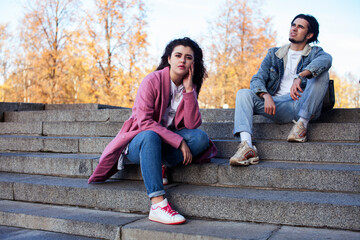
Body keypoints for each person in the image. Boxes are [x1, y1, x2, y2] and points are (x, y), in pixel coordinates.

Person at [88, 37, 217, 225]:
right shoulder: (152, 80)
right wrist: (179, 141)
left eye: (188, 58)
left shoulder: (189, 87)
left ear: (193, 63)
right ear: (169, 59)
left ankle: (161, 165)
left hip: (163, 143)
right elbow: (144, 122)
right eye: (178, 55)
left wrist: (189, 91)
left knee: (200, 139)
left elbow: (192, 124)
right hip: (138, 144)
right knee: (150, 135)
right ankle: (157, 204)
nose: (182, 60)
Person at [230, 14, 332, 166]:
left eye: (300, 27)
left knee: (322, 72)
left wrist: (301, 75)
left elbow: (327, 59)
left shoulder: (316, 53)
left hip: (304, 104)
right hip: (278, 105)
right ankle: (247, 147)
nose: (294, 29)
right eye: (293, 25)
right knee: (243, 93)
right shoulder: (274, 54)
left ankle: (301, 126)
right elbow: (257, 78)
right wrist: (265, 95)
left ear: (309, 35)